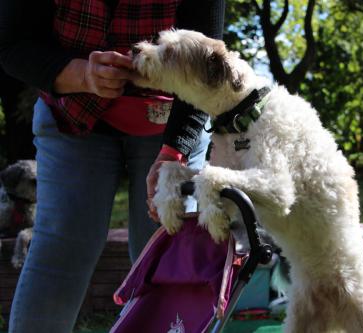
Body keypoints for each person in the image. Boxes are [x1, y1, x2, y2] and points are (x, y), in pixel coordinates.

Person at [0, 0, 224, 332]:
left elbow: (206, 67)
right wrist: (79, 74)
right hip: (70, 116)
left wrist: (174, 154)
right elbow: (11, 45)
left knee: (166, 258)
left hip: (171, 120)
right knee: (59, 251)